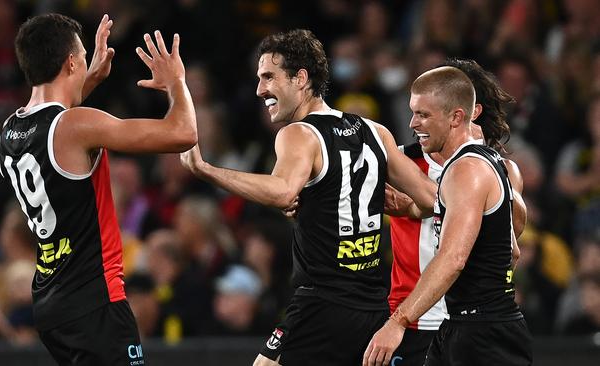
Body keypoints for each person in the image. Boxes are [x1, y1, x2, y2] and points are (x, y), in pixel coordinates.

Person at [180, 29, 436, 366]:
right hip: (371, 305)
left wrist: (206, 170)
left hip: (322, 303)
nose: (260, 89)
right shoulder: (376, 131)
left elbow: (282, 190)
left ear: (301, 78)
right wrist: (405, 207)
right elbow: (433, 200)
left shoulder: (299, 134)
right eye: (258, 79)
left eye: (269, 77)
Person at [0, 13, 197, 365]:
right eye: (82, 57)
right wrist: (176, 82)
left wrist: (88, 78)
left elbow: (55, 121)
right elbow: (183, 133)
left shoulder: (11, 130)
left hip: (51, 304)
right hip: (96, 301)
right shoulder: (77, 126)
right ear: (72, 61)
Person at [363, 66, 532, 366]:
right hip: (468, 324)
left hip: (482, 331)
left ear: (457, 117)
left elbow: (453, 258)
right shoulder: (485, 163)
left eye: (423, 115)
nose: (413, 123)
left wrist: (397, 321)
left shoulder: (466, 170)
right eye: (413, 113)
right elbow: (512, 251)